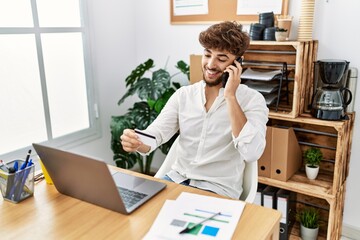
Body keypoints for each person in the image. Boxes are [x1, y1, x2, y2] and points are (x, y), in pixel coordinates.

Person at [120, 21, 269, 199]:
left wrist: (230, 96)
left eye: (221, 59)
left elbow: (251, 153)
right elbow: (155, 135)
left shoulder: (252, 100)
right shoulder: (183, 95)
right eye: (207, 55)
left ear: (237, 64)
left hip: (218, 189)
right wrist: (136, 142)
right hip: (175, 180)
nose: (211, 64)